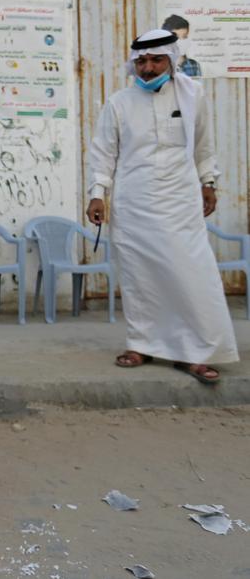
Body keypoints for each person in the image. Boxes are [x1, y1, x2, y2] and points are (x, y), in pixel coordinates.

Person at [86, 28, 238, 384]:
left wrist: (209, 183)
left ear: (171, 59)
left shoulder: (192, 96)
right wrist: (97, 193)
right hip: (133, 202)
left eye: (156, 60)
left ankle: (196, 351)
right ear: (133, 63)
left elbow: (204, 145)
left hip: (180, 201)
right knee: (141, 278)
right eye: (142, 61)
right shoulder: (119, 103)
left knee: (191, 275)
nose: (148, 68)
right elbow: (104, 153)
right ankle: (142, 344)